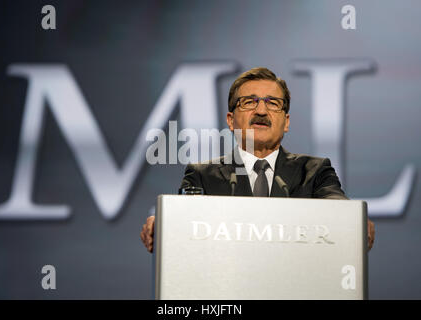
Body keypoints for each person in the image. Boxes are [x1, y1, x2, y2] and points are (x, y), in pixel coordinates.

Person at [140, 67, 375, 252]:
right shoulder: (202, 174)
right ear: (231, 120)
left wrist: (355, 220)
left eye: (273, 103)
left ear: (286, 121)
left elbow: (339, 208)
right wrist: (163, 224)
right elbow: (185, 218)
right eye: (249, 102)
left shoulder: (314, 171)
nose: (261, 111)